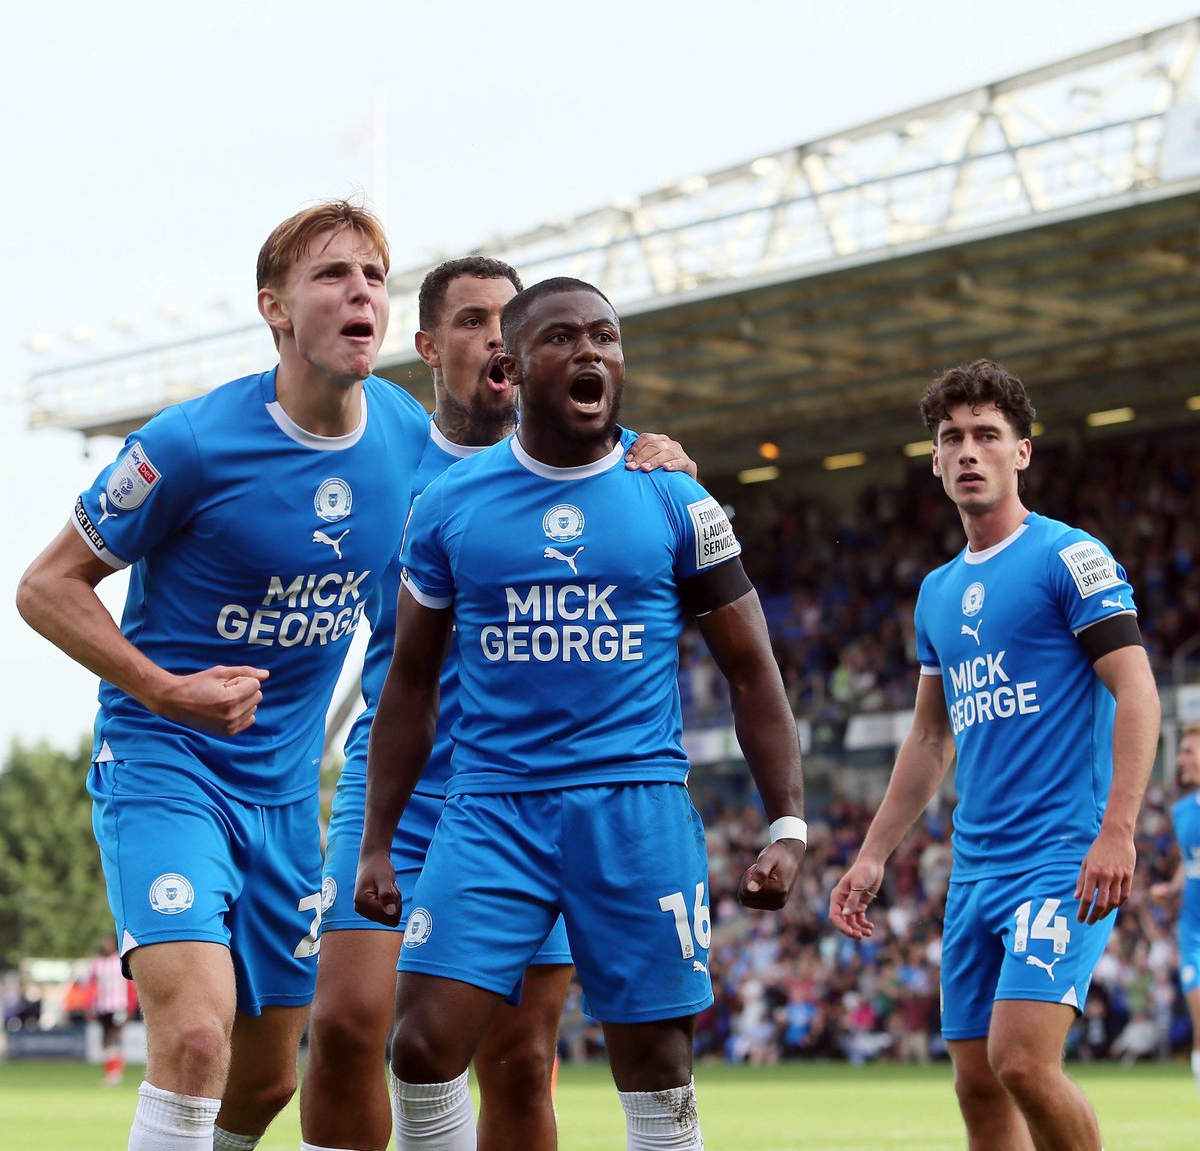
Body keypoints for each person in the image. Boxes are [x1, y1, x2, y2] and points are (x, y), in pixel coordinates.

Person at [356, 277, 807, 1151]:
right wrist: (378, 838)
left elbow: (753, 673)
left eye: (605, 336)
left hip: (634, 805)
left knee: (656, 1065)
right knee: (418, 1044)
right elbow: (410, 683)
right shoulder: (450, 505)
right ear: (513, 366)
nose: (591, 352)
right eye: (563, 338)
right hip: (490, 809)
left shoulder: (675, 497)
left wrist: (786, 823)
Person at [17, 201, 430, 1151]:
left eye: (373, 275)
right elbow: (45, 588)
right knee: (196, 1038)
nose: (360, 290)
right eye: (332, 275)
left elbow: (521, 464)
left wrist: (638, 454)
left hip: (287, 798)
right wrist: (164, 689)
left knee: (263, 1083)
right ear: (274, 308)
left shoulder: (403, 434)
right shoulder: (189, 444)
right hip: (168, 767)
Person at [301, 258, 694, 1151]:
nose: (494, 339)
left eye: (506, 322)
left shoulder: (616, 466)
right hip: (403, 787)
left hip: (534, 791)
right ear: (430, 348)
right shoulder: (381, 454)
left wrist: (662, 461)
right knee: (350, 1026)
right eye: (473, 321)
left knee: (520, 1058)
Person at [829, 359, 1160, 1151]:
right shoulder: (937, 592)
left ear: (1022, 453)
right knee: (977, 1086)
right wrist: (873, 854)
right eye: (953, 438)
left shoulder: (1068, 558)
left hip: (1060, 856)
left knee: (1021, 1062)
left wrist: (1118, 828)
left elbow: (1139, 692)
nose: (968, 450)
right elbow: (930, 737)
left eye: (987, 435)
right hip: (974, 867)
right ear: (936, 461)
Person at [1149, 723, 1200, 1092]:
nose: (1181, 758)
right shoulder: (1183, 811)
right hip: (1193, 930)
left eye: (1188, 750)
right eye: (1181, 750)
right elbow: (1189, 859)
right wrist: (1174, 885)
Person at [87, 933, 132, 1085]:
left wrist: (130, 1006)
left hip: (118, 1005)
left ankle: (115, 1073)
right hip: (102, 1006)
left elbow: (130, 984)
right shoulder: (96, 962)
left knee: (115, 1037)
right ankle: (110, 1071)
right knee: (105, 1040)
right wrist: (89, 1006)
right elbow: (91, 986)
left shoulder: (120, 960)